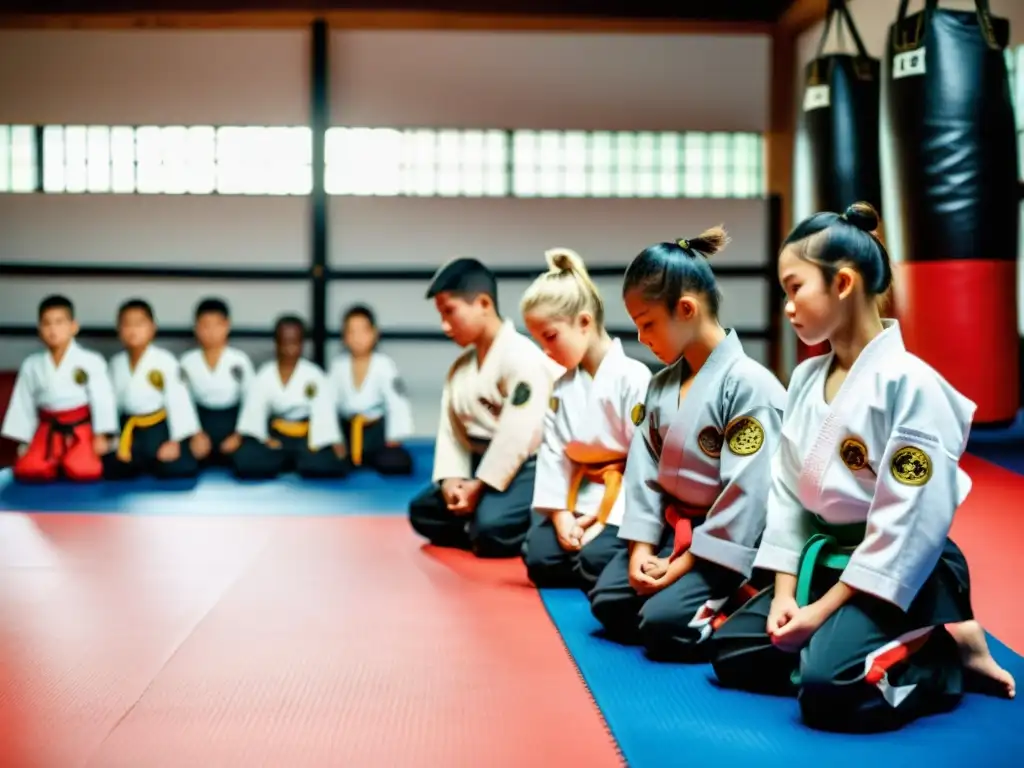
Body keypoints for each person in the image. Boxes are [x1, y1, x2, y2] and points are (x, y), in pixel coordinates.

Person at [711, 202, 1015, 733]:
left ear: (843, 283)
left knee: (829, 690)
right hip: (820, 560)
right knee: (732, 653)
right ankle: (853, 644)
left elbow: (907, 525)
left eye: (795, 288)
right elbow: (786, 493)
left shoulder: (911, 385)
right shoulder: (807, 380)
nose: (787, 306)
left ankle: (941, 655)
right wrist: (785, 596)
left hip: (895, 568)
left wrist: (819, 614)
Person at [588, 228, 786, 661]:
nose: (642, 338)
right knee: (608, 600)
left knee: (662, 626)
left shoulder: (749, 385)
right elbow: (642, 476)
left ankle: (743, 598)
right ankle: (680, 596)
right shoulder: (661, 387)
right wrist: (642, 549)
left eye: (647, 324)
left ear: (686, 309)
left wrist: (677, 567)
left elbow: (746, 498)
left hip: (729, 546)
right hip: (675, 533)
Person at [408, 257, 563, 558]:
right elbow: (451, 432)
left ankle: (498, 526)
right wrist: (452, 480)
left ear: (483, 303)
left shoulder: (521, 357)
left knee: (492, 527)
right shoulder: (461, 368)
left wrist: (479, 486)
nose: (444, 325)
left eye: (449, 311)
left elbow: (518, 435)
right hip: (479, 464)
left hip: (528, 466)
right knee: (422, 511)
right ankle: (480, 526)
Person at [519, 247, 652, 589]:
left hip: (623, 499)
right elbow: (553, 455)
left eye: (550, 337)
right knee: (538, 556)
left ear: (583, 322)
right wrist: (561, 516)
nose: (546, 352)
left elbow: (644, 464)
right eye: (539, 341)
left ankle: (603, 562)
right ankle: (595, 565)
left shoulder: (633, 377)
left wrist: (603, 520)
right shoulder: (562, 388)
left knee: (594, 556)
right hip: (578, 497)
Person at [2, 295, 117, 483]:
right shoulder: (32, 365)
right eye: (46, 324)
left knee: (85, 471)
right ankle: (54, 460)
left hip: (80, 428)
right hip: (47, 428)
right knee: (28, 470)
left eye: (59, 322)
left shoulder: (91, 360)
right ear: (40, 330)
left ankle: (69, 459)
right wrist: (25, 441)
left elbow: (103, 399)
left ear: (73, 326)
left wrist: (102, 435)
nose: (53, 329)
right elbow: (23, 404)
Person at [232, 315, 350, 479]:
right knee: (244, 461)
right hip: (276, 436)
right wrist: (264, 439)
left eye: (294, 342)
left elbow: (324, 412)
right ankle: (293, 461)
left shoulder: (313, 375)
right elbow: (254, 411)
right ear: (276, 343)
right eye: (284, 341)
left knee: (333, 463)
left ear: (302, 344)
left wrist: (333, 440)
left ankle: (291, 461)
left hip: (306, 437)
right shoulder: (265, 374)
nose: (289, 347)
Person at [104, 299, 202, 480]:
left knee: (179, 466)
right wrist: (110, 436)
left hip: (157, 427)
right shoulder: (116, 364)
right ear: (119, 330)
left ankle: (149, 460)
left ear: (152, 328)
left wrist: (175, 441)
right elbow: (111, 404)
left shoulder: (165, 361)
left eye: (139, 323)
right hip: (130, 427)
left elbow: (178, 401)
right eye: (127, 324)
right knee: (110, 466)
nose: (133, 330)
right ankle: (140, 461)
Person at [328, 304, 415, 475]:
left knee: (398, 462)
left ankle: (369, 459)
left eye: (363, 331)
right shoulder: (338, 366)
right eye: (351, 332)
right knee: (322, 462)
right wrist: (335, 440)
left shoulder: (384, 365)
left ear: (374, 334)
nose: (357, 338)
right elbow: (327, 405)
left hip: (376, 434)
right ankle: (349, 459)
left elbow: (397, 403)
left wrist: (394, 438)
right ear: (344, 337)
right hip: (348, 432)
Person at [179, 298, 255, 467]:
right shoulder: (187, 362)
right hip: (200, 421)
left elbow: (251, 400)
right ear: (196, 328)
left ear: (227, 325)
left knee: (249, 463)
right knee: (180, 464)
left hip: (232, 422)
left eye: (217, 325)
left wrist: (239, 435)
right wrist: (194, 434)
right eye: (205, 325)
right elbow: (181, 402)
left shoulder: (239, 361)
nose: (211, 331)